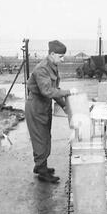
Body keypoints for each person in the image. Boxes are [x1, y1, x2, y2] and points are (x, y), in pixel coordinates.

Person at [25, 40, 71, 183]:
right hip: (36, 106)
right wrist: (69, 92)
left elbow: (54, 90)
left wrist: (64, 106)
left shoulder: (52, 66)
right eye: (60, 56)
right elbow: (47, 91)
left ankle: (40, 166)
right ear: (52, 54)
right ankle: (42, 171)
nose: (62, 59)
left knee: (45, 136)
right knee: (40, 138)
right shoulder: (42, 69)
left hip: (44, 105)